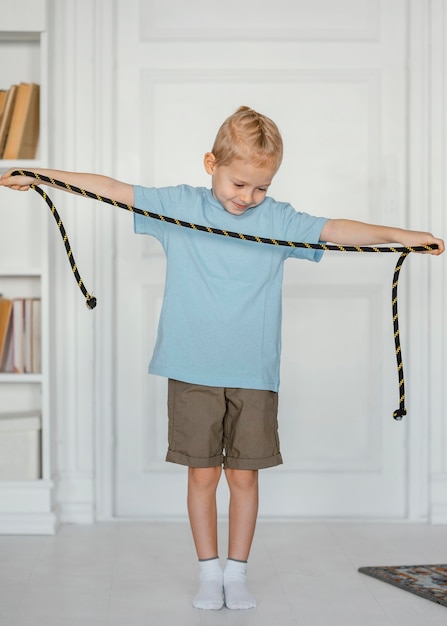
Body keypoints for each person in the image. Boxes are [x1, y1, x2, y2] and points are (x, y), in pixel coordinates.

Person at [0, 106, 444, 611]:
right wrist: (39, 175)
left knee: (244, 477)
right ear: (211, 163)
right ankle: (208, 573)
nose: (248, 198)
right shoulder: (179, 206)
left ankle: (238, 572)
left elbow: (335, 229)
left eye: (260, 187)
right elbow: (112, 189)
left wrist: (403, 236)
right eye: (239, 184)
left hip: (254, 373)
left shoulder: (276, 219)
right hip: (191, 370)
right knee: (203, 475)